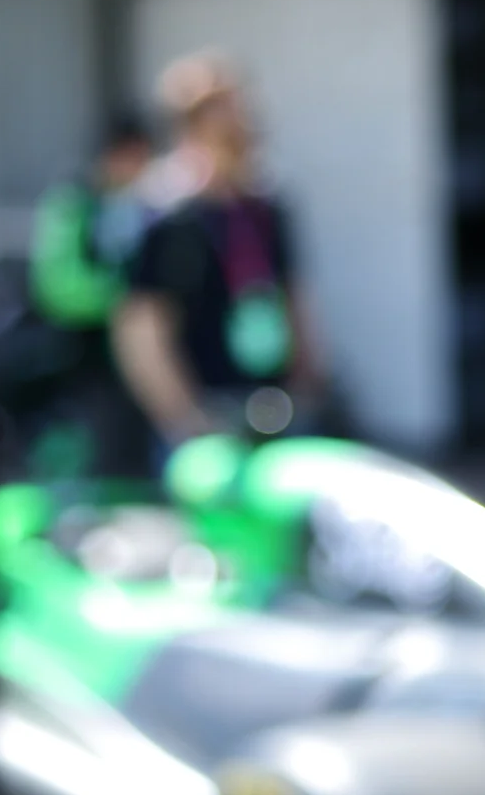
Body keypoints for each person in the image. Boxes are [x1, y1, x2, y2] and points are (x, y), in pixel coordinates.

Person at [111, 55, 316, 448]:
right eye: (225, 118)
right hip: (206, 416)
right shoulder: (162, 214)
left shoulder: (264, 206)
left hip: (274, 406)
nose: (241, 129)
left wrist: (307, 379)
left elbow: (291, 295)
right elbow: (141, 330)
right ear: (191, 127)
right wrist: (187, 419)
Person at [26, 113, 159, 478]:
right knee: (105, 458)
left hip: (148, 359)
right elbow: (56, 285)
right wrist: (125, 299)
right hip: (89, 361)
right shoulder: (74, 203)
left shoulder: (148, 208)